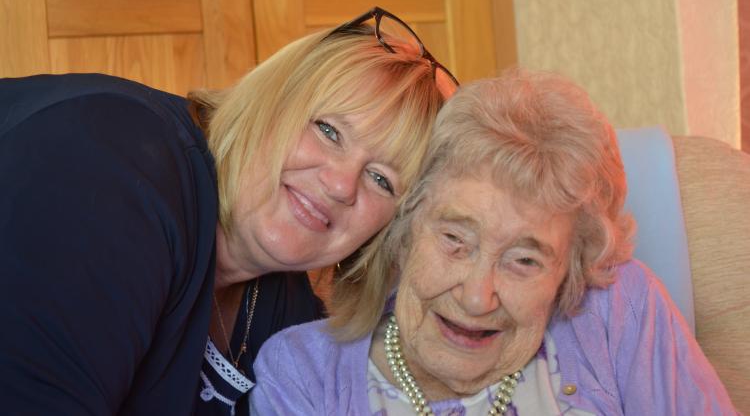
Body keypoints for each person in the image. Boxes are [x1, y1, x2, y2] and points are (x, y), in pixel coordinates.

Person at [0, 6, 456, 415]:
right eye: (328, 131)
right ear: (271, 100)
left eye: (381, 179)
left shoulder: (287, 312)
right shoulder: (116, 164)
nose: (340, 185)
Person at [250, 71, 738, 415]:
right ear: (403, 231)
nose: (476, 297)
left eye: (524, 260)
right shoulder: (303, 375)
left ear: (570, 272)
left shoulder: (617, 308)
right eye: (455, 240)